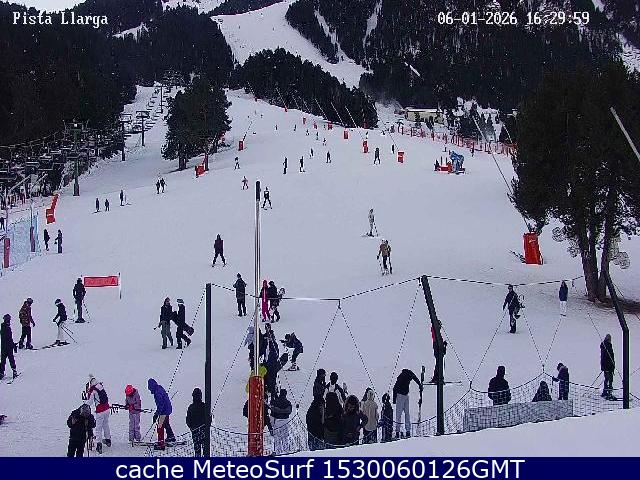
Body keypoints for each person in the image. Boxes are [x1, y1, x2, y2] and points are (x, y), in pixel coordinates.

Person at [392, 369, 421, 438]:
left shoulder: (405, 375)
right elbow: (414, 377)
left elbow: (394, 388)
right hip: (403, 395)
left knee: (400, 414)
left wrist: (394, 399)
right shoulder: (405, 376)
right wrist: (419, 384)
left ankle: (399, 432)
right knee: (405, 414)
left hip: (402, 395)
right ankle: (406, 431)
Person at [86, 375, 111, 453]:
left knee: (98, 428)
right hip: (107, 409)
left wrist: (84, 403)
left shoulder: (93, 390)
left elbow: (90, 402)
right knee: (106, 425)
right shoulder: (100, 386)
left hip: (100, 411)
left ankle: (99, 445)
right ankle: (108, 440)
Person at [148, 378, 176, 450]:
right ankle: (171, 437)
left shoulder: (157, 393)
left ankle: (161, 444)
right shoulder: (159, 388)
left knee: (159, 426)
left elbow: (160, 405)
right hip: (168, 409)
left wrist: (156, 414)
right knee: (166, 423)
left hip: (164, 411)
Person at [186, 387, 208, 457]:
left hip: (195, 431)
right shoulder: (204, 406)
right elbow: (209, 419)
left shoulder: (191, 407)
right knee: (205, 448)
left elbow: (188, 420)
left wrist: (191, 427)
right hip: (204, 430)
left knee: (197, 449)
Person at [270, 388, 292, 455]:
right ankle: (286, 452)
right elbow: (289, 411)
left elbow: (272, 414)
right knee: (285, 438)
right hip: (286, 421)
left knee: (277, 439)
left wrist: (272, 424)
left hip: (277, 421)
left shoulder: (275, 402)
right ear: (285, 394)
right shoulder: (288, 402)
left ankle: (278, 452)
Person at [0, 314, 18, 380]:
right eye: (8, 319)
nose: (9, 321)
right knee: (11, 359)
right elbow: (8, 338)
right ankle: (14, 371)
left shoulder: (3, 327)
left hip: (3, 347)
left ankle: (1, 373)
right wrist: (13, 345)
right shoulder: (6, 328)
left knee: (3, 360)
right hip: (8, 347)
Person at [600, 334, 616, 400]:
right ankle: (608, 392)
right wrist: (611, 365)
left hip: (606, 366)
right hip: (608, 367)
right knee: (609, 380)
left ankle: (606, 392)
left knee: (607, 379)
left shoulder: (605, 346)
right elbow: (608, 357)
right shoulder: (607, 346)